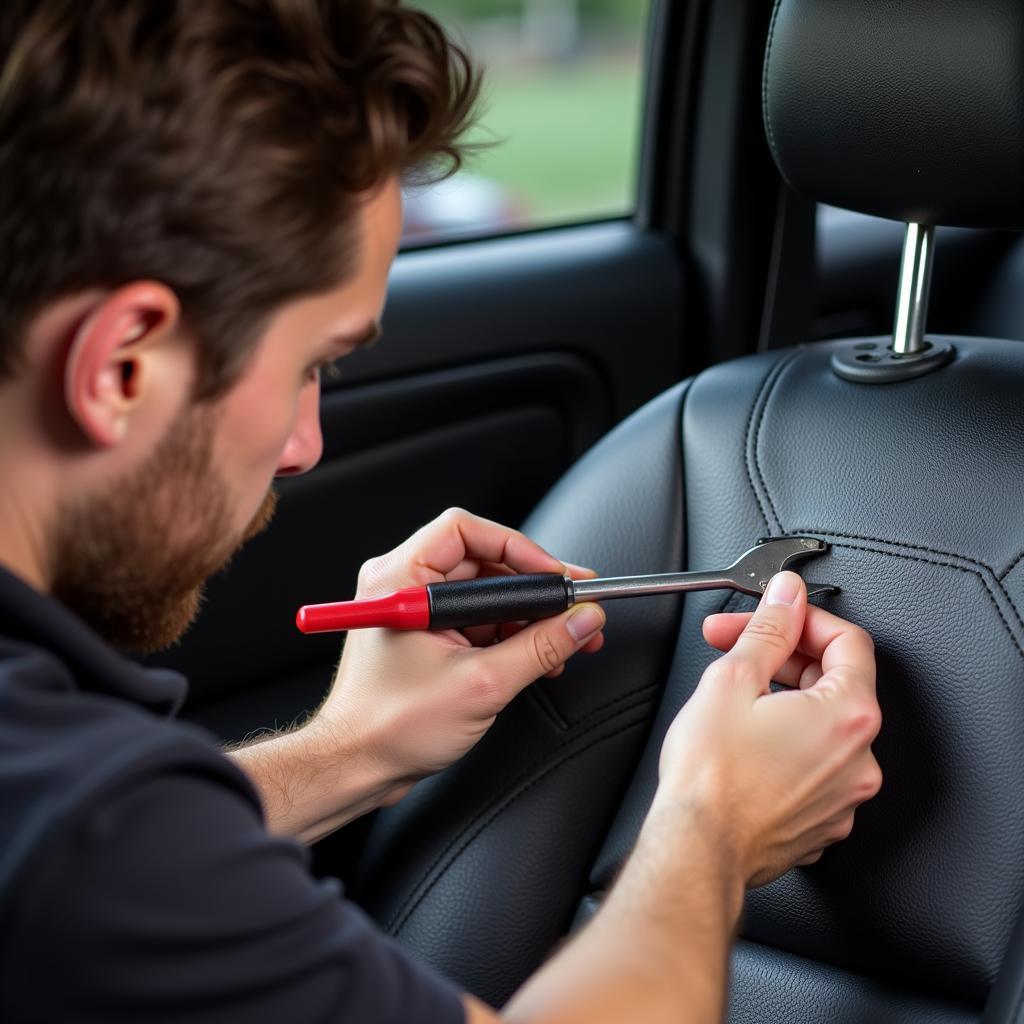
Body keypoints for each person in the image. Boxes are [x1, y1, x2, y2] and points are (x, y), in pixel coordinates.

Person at [0, 2, 882, 1021]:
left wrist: (355, 747)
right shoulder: (76, 822)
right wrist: (712, 827)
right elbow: (101, 861)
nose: (304, 445)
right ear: (121, 365)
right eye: (313, 364)